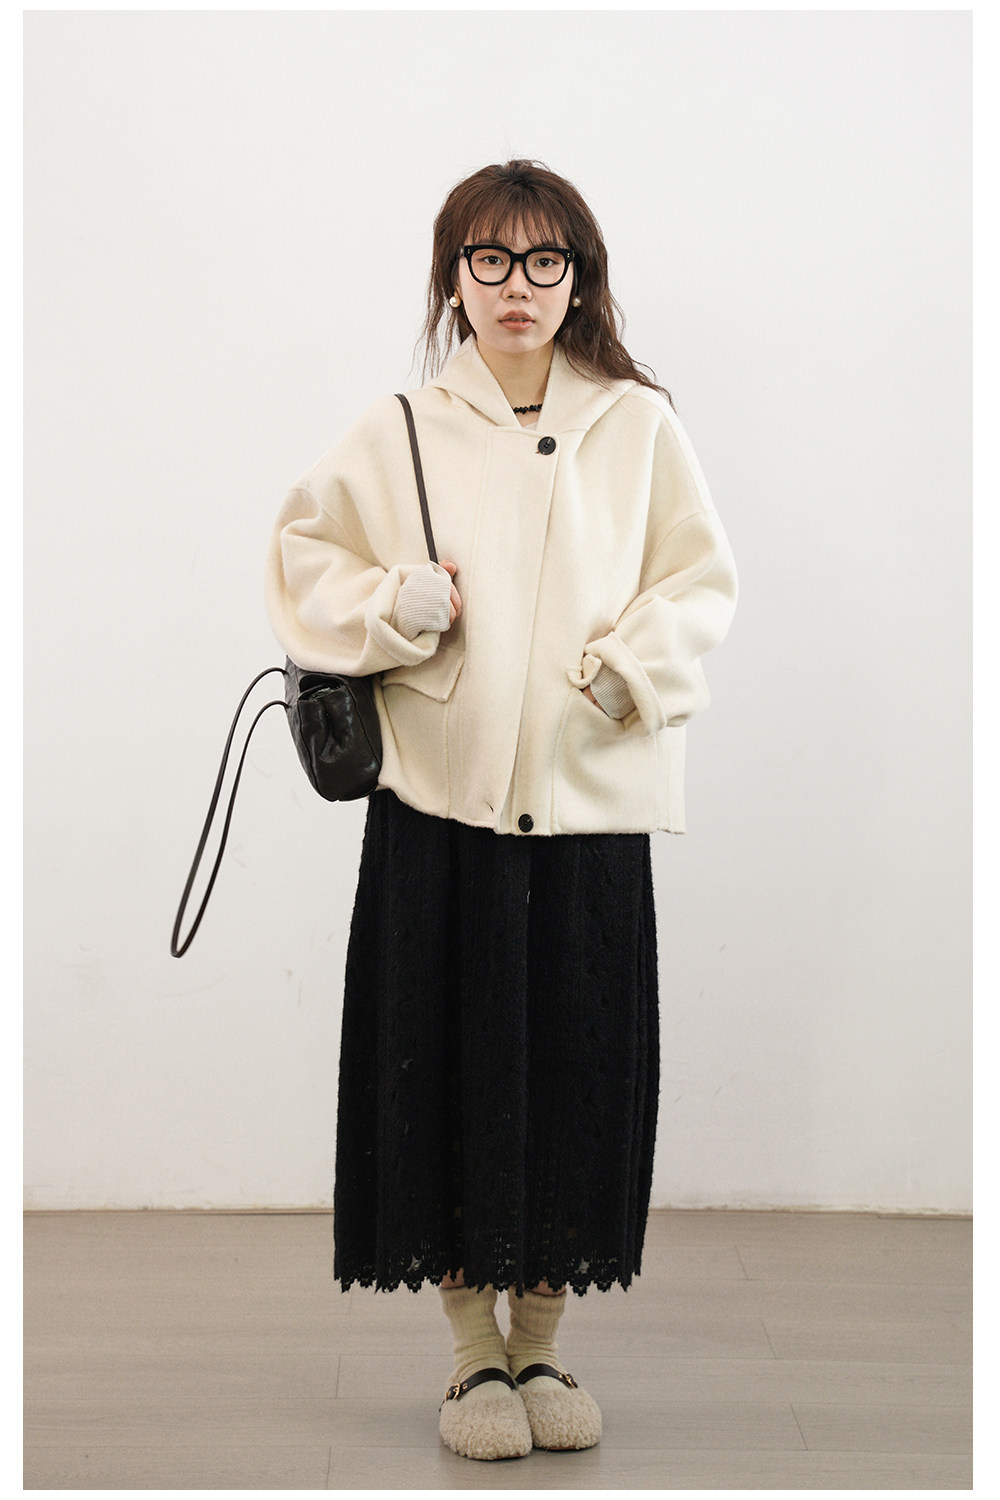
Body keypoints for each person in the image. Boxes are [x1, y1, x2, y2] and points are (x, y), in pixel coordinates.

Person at [265, 159, 738, 1462]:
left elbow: (700, 579)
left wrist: (630, 668)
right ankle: (474, 1355)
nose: (516, 286)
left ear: (579, 279)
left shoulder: (637, 425)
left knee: (574, 1078)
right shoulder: (405, 427)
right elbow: (303, 552)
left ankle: (543, 1345)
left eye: (543, 261)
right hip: (439, 807)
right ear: (454, 278)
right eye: (490, 260)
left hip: (586, 809)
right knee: (444, 1073)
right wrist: (389, 603)